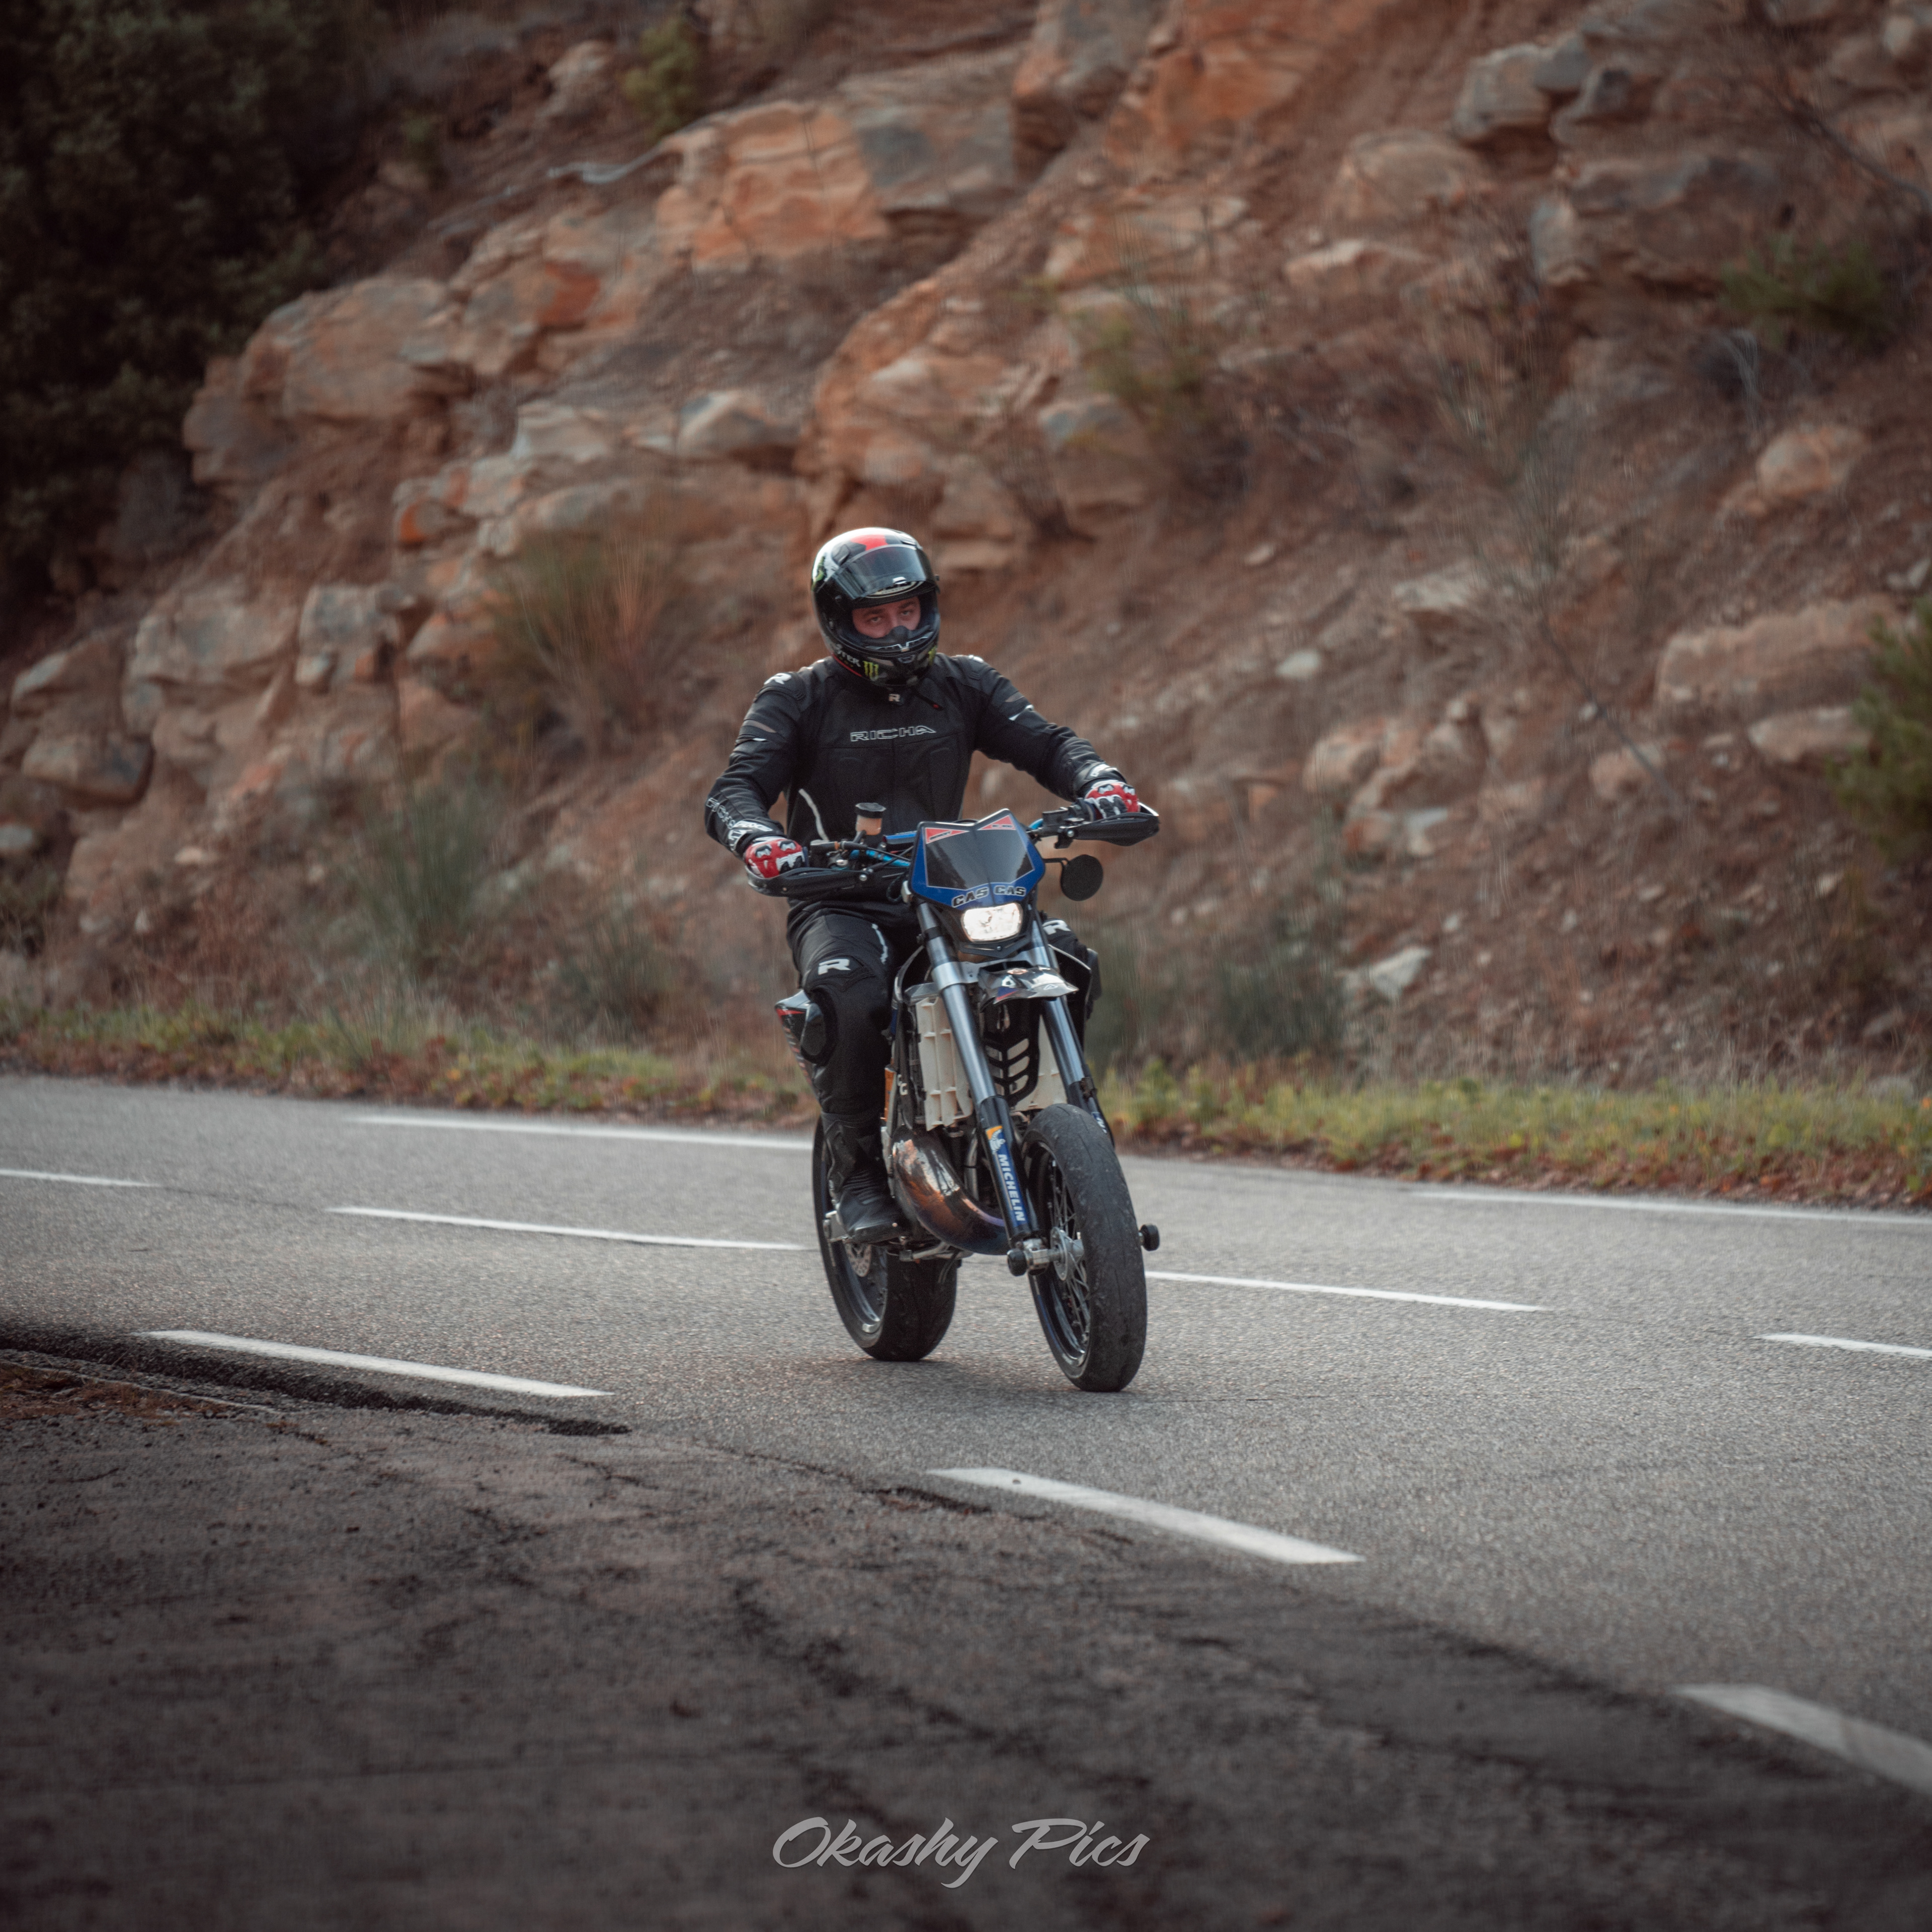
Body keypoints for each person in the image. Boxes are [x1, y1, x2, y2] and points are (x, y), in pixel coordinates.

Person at [704, 526, 1143, 1244]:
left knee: (1063, 956)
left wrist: (1101, 783)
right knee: (850, 993)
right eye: (876, 617)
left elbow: (1048, 743)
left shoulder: (964, 682)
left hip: (949, 888)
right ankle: (857, 1175)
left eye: (907, 610)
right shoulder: (798, 698)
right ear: (840, 621)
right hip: (840, 896)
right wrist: (761, 840)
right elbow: (735, 789)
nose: (898, 630)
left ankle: (1057, 1129)